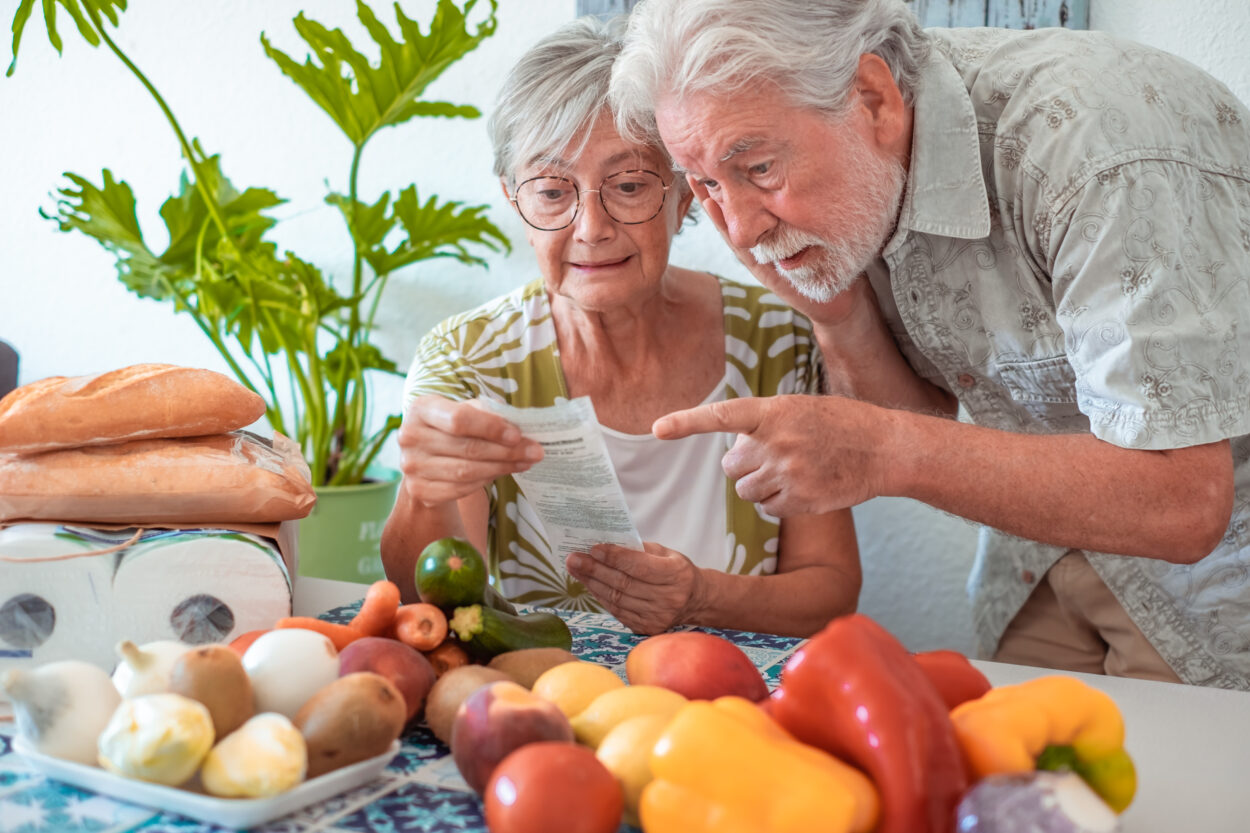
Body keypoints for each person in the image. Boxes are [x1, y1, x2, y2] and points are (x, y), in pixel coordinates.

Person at [610, 0, 1250, 687]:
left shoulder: (1094, 156)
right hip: (1037, 560)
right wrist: (837, 312)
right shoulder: (852, 167)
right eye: (704, 182)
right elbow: (921, 420)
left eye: (759, 168)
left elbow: (1184, 503)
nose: (737, 230)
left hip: (1213, 589)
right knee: (1007, 786)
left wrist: (881, 449)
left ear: (873, 96)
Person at [380, 15, 861, 638]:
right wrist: (422, 491)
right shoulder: (467, 360)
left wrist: (701, 597)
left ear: (684, 195)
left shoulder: (779, 338)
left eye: (629, 185)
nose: (590, 227)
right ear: (514, 200)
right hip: (544, 698)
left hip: (738, 707)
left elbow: (829, 587)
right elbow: (423, 609)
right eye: (552, 191)